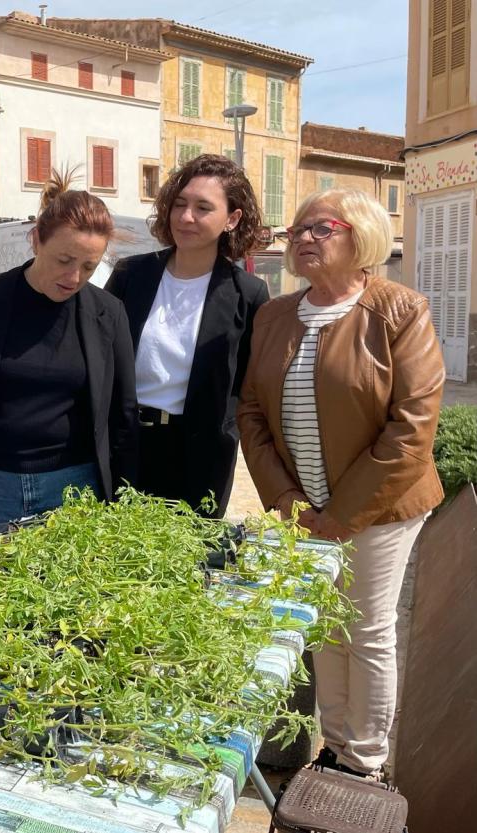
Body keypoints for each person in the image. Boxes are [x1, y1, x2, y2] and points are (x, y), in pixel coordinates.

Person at [238, 188, 444, 778]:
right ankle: (335, 746)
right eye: (297, 229)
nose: (303, 238)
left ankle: (365, 760)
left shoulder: (399, 310)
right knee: (324, 627)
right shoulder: (275, 315)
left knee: (367, 627)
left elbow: (411, 428)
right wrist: (286, 499)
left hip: (383, 509)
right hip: (306, 508)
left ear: (362, 235)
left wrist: (340, 516)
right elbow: (251, 413)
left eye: (320, 228)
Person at [0, 176, 138, 542]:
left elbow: (123, 413)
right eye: (64, 260)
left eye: (89, 266)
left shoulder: (108, 313)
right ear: (36, 239)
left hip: (75, 489)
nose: (74, 277)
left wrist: (124, 499)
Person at [106, 154, 268, 517]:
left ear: (232, 219)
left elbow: (250, 383)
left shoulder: (248, 294)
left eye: (202, 208)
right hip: (126, 444)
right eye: (179, 204)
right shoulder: (131, 275)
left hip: (200, 457)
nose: (185, 217)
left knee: (191, 551)